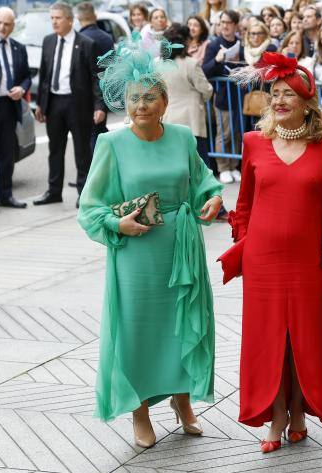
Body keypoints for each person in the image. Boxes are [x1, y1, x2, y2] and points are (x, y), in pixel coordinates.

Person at [77, 34, 223, 447]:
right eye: (134, 98)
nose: (141, 106)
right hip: (137, 254)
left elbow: (202, 184)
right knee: (138, 330)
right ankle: (139, 410)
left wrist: (211, 200)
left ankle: (183, 401)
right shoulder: (112, 143)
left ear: (164, 101)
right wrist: (117, 225)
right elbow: (90, 207)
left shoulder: (180, 137)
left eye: (149, 98)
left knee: (180, 326)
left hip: (181, 246)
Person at [224, 52, 322, 452]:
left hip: (310, 260)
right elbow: (244, 204)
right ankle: (274, 416)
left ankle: (299, 410)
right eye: (275, 93)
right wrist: (241, 244)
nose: (280, 100)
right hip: (264, 260)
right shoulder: (254, 143)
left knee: (305, 338)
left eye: (289, 94)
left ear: (308, 103)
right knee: (267, 339)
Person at [33, 2, 104, 208]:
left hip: (78, 104)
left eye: (58, 18)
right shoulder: (48, 41)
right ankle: (54, 191)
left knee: (82, 151)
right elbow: (44, 75)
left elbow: (95, 78)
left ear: (70, 20)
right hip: (54, 103)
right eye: (52, 18)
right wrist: (40, 105)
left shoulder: (86, 43)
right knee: (55, 149)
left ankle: (84, 193)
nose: (54, 22)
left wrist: (99, 106)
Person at [0, 7, 31, 213]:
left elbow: (26, 76)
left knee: (6, 156)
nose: (2, 27)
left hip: (9, 108)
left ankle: (5, 195)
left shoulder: (19, 47)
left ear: (13, 25)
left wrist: (22, 88)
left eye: (7, 24)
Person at [162, 24, 213, 170]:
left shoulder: (157, 63)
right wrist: (204, 97)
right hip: (191, 121)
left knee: (174, 166)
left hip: (167, 119)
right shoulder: (190, 63)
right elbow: (206, 88)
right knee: (198, 167)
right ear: (184, 41)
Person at [202, 9, 244, 185]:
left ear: (235, 25)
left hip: (239, 95)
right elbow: (204, 70)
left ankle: (234, 165)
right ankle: (223, 167)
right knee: (224, 132)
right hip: (222, 95)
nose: (225, 26)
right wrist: (218, 60)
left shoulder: (240, 44)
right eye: (222, 23)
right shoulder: (214, 44)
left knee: (237, 132)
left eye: (228, 23)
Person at [76, 2, 114, 155]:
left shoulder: (80, 39)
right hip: (104, 92)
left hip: (84, 94)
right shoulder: (107, 38)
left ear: (78, 17)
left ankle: (92, 174)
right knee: (98, 131)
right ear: (95, 17)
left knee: (88, 137)